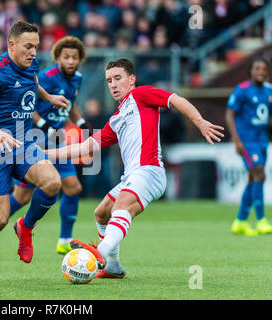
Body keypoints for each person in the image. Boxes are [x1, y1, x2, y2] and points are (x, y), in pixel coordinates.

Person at [45, 58, 224, 278]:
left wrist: (200, 121)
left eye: (118, 78)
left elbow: (176, 100)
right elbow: (85, 147)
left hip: (149, 170)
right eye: (109, 80)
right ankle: (113, 267)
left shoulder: (141, 95)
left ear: (131, 80)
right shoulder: (116, 118)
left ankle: (98, 254)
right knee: (101, 213)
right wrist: (46, 155)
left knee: (122, 206)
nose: (113, 84)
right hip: (133, 175)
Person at [0, 21, 69, 280]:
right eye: (28, 46)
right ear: (11, 45)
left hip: (22, 144)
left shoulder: (30, 64)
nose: (34, 52)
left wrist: (48, 97)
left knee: (52, 182)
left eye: (36, 46)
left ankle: (25, 226)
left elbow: (32, 82)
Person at [9, 36, 89, 255]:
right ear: (57, 58)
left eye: (75, 57)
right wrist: (45, 124)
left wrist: (81, 122)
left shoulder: (77, 79)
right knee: (22, 197)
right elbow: (28, 106)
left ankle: (64, 240)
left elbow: (70, 106)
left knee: (73, 187)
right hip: (34, 138)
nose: (71, 61)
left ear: (80, 59)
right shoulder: (46, 77)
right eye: (66, 57)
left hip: (56, 140)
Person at [226, 57, 272, 236]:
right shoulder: (242, 90)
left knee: (254, 178)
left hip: (262, 140)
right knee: (259, 172)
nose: (261, 72)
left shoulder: (268, 90)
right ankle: (261, 220)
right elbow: (230, 114)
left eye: (264, 69)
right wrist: (236, 139)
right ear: (250, 71)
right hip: (247, 140)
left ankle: (240, 221)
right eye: (257, 68)